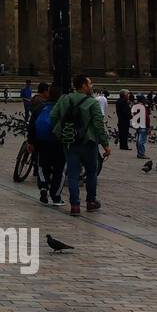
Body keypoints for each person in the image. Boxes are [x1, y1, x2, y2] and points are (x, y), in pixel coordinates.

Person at [51, 75, 111, 216]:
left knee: (72, 174)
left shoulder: (64, 99)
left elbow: (53, 116)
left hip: (70, 142)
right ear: (83, 86)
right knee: (91, 173)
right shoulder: (92, 103)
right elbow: (98, 125)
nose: (91, 86)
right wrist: (105, 145)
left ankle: (75, 206)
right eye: (90, 84)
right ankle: (90, 202)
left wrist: (61, 132)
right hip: (88, 143)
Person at [31, 85, 64, 206]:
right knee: (59, 170)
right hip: (58, 142)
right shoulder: (63, 108)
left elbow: (32, 125)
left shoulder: (40, 107)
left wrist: (31, 142)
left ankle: (43, 187)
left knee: (42, 166)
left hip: (42, 141)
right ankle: (56, 197)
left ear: (49, 94)